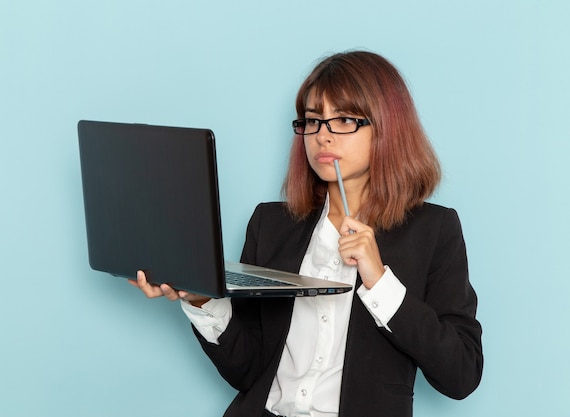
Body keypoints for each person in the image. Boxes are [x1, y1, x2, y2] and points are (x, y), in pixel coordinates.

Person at [130, 50, 483, 417]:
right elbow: (249, 369)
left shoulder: (434, 231)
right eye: (313, 120)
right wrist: (201, 299)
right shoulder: (271, 224)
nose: (322, 136)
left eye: (344, 119)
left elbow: (461, 375)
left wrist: (379, 282)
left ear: (387, 127)